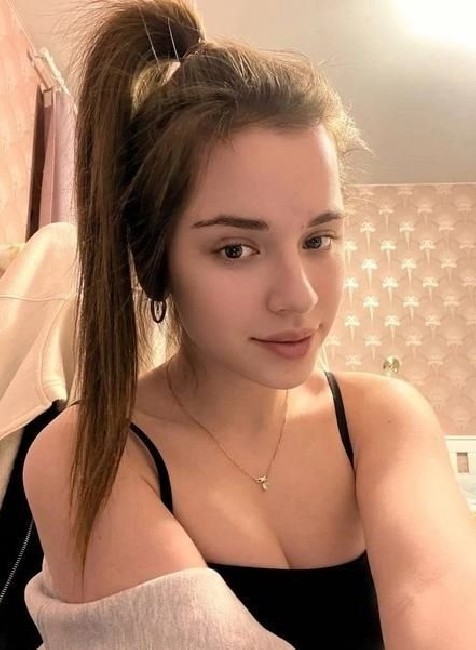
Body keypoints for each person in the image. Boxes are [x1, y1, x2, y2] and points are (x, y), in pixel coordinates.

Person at [22, 1, 476, 648]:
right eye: (236, 249)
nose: (298, 297)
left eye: (318, 239)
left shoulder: (384, 420)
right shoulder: (87, 454)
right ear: (155, 262)